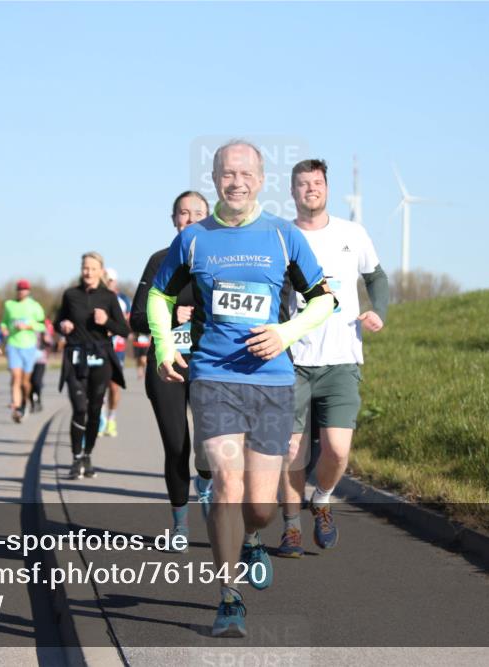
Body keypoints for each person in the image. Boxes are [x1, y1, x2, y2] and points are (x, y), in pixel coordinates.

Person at [147, 141, 336, 637]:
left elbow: (323, 301)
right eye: (227, 174)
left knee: (260, 505)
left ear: (260, 178)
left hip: (272, 383)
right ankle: (228, 596)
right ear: (214, 179)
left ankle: (253, 537)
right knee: (227, 484)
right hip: (213, 379)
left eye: (245, 173)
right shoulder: (193, 240)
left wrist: (285, 333)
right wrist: (166, 346)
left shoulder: (282, 236)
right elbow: (159, 294)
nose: (236, 182)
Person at [278, 159, 389, 557]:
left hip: (343, 358)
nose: (311, 189)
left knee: (338, 450)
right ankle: (290, 527)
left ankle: (321, 500)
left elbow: (376, 277)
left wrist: (379, 311)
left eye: (318, 183)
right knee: (292, 450)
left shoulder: (351, 233)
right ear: (293, 192)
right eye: (303, 184)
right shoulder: (282, 235)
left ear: (326, 188)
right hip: (293, 360)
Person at [131, 190, 212, 549]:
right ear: (173, 219)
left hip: (210, 364)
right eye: (183, 213)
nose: (190, 218)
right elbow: (135, 317)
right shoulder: (160, 260)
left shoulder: (220, 261)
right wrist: (169, 313)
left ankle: (207, 483)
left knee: (211, 446)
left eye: (198, 213)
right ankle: (180, 523)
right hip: (167, 366)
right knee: (176, 445)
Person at [55, 252, 130, 480]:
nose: (88, 272)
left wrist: (106, 321)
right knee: (79, 408)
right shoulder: (70, 295)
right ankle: (76, 457)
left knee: (95, 410)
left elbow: (124, 331)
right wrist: (63, 325)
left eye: (92, 268)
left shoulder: (109, 297)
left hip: (100, 358)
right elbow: (59, 321)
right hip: (75, 356)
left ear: (101, 271)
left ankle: (87, 455)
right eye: (85, 268)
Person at [0, 279, 46, 423]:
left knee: (26, 382)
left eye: (24, 289)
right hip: (13, 345)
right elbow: (4, 322)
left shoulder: (35, 306)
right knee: (15, 377)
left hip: (29, 346)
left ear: (28, 291)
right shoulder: (9, 305)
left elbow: (43, 326)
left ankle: (25, 401)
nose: (22, 292)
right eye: (19, 289)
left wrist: (29, 326)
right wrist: (4, 328)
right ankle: (17, 407)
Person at [101, 268, 131, 437]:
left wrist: (114, 328)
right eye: (106, 280)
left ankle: (111, 419)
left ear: (115, 282)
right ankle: (100, 418)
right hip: (98, 347)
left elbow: (129, 324)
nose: (108, 283)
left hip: (117, 348)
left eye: (111, 280)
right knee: (99, 386)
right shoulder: (95, 297)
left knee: (113, 386)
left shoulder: (123, 299)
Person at [29, 319, 54, 413]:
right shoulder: (26, 329)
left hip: (40, 360)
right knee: (29, 383)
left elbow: (51, 343)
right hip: (28, 360)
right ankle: (32, 402)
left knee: (37, 381)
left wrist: (47, 340)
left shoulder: (43, 329)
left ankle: (38, 399)